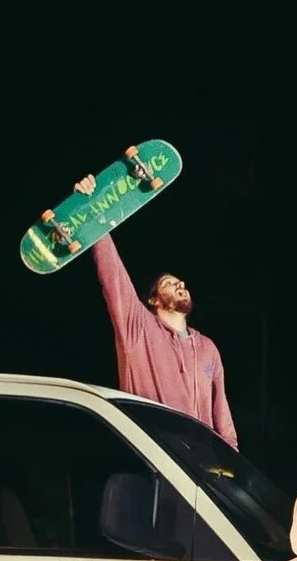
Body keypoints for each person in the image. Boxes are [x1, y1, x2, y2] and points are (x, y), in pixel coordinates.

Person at [73, 172, 239, 449]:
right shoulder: (137, 328)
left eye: (180, 282)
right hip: (157, 456)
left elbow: (221, 409)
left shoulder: (208, 348)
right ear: (153, 300)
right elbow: (112, 275)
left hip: (200, 464)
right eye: (168, 283)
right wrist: (90, 209)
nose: (179, 284)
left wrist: (230, 455)